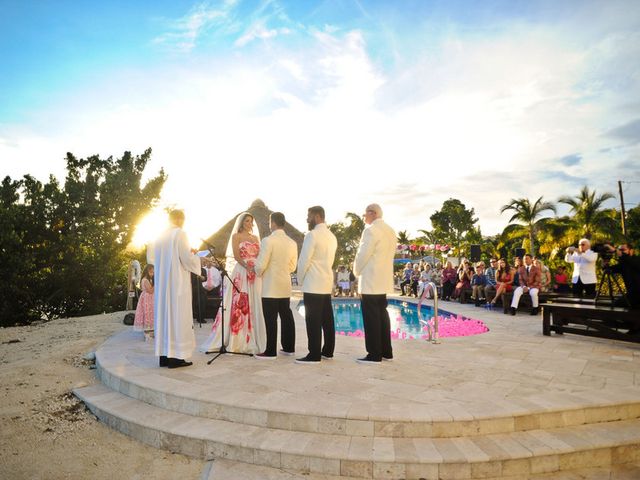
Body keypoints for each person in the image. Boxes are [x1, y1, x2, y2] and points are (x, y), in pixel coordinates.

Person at [200, 212, 266, 355]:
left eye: (251, 221)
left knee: (254, 302)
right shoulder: (236, 236)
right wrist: (246, 265)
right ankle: (237, 339)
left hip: (254, 272)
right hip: (241, 271)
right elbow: (236, 255)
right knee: (239, 302)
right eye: (247, 221)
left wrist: (255, 267)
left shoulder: (255, 238)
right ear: (242, 222)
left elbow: (260, 254)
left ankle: (254, 337)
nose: (249, 224)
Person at [154, 209, 209, 369]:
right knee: (178, 318)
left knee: (166, 318)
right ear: (179, 219)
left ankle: (164, 356)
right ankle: (176, 358)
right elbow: (186, 258)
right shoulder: (180, 234)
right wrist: (199, 259)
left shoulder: (160, 236)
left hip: (164, 286)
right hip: (177, 284)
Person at [353, 203, 396, 364]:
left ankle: (374, 354)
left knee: (371, 318)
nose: (364, 217)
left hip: (371, 280)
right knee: (382, 316)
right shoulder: (390, 231)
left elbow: (363, 254)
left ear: (373, 213)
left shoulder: (370, 230)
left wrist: (355, 271)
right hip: (383, 280)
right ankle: (386, 351)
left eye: (365, 214)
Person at [296, 206, 338, 364]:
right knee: (327, 319)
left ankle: (314, 354)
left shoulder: (312, 235)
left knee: (313, 320)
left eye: (309, 216)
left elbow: (304, 260)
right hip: (326, 282)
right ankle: (328, 351)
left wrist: (300, 280)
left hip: (313, 282)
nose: (307, 219)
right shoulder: (332, 236)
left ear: (318, 216)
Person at [253, 212, 298, 359]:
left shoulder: (268, 241)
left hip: (270, 286)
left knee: (270, 318)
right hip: (285, 284)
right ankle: (289, 347)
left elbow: (260, 265)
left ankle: (270, 351)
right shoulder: (292, 242)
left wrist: (258, 271)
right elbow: (292, 266)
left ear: (273, 223)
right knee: (286, 316)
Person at [607, 242, 640, 310]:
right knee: (615, 305)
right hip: (631, 295)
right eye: (620, 250)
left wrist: (616, 251)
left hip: (637, 294)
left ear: (631, 251)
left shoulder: (637, 259)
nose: (620, 252)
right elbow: (609, 270)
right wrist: (605, 262)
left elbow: (631, 262)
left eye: (623, 250)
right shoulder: (623, 264)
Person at [133, 264, 154, 341]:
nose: (152, 274)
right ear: (147, 272)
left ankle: (151, 331)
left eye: (153, 272)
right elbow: (150, 291)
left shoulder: (149, 279)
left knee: (151, 314)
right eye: (151, 272)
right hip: (147, 299)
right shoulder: (145, 280)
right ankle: (147, 333)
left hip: (150, 299)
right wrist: (156, 283)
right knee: (147, 314)